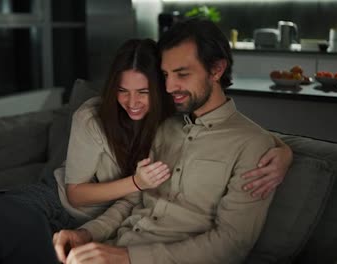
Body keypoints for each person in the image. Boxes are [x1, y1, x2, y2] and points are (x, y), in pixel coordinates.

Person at [0, 36, 290, 263]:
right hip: (64, 201)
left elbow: (228, 130)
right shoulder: (93, 116)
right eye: (123, 91)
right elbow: (77, 196)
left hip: (106, 219)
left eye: (144, 91)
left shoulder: (172, 116)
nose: (132, 103)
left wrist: (282, 150)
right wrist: (136, 185)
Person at [53, 18, 288, 264]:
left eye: (182, 74)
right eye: (165, 75)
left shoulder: (253, 145)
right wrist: (86, 233)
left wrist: (125, 257)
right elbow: (132, 201)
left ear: (216, 70)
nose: (168, 87)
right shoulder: (165, 126)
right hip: (114, 246)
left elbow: (232, 243)